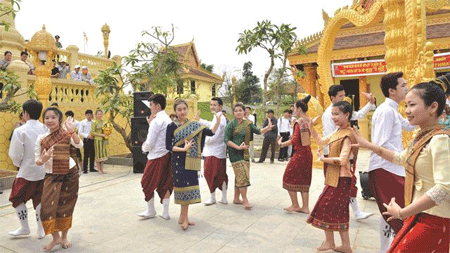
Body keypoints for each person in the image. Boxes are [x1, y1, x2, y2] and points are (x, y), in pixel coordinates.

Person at [352, 79, 450, 253]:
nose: (407, 111)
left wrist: (402, 213)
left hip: (434, 220)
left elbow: (443, 188)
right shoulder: (421, 137)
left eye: (412, 105)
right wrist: (367, 144)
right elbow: (400, 158)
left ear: (433, 107)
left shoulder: (440, 140)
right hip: (420, 216)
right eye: (406, 106)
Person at [366, 72, 415, 252]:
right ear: (392, 91)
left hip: (392, 167)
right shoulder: (386, 111)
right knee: (396, 213)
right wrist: (403, 156)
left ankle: (386, 249)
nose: (407, 88)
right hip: (385, 168)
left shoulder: (392, 110)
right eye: (403, 85)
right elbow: (381, 143)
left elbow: (409, 125)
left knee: (388, 211)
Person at [307, 101, 357, 253]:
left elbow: (342, 160)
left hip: (342, 178)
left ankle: (330, 242)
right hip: (335, 177)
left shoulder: (348, 135)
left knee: (325, 207)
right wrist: (311, 128)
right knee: (339, 209)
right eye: (332, 114)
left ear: (347, 115)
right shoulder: (338, 132)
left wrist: (323, 159)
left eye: (337, 114)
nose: (334, 117)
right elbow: (321, 142)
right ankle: (345, 245)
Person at [165, 99, 221, 230]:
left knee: (189, 187)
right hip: (178, 161)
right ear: (175, 111)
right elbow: (168, 146)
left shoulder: (194, 125)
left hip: (191, 160)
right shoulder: (171, 126)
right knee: (182, 187)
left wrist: (217, 123)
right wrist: (183, 149)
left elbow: (210, 132)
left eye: (184, 109)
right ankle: (184, 218)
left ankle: (183, 217)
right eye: (179, 110)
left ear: (187, 109)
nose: (182, 112)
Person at [322, 84, 375, 221]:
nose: (343, 98)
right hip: (335, 154)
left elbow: (359, 114)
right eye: (340, 96)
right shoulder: (330, 115)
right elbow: (331, 136)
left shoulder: (341, 111)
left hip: (342, 155)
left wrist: (370, 103)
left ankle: (353, 211)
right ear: (332, 98)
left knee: (348, 182)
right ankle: (334, 210)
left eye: (344, 95)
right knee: (338, 184)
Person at [35, 107, 83, 251]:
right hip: (51, 174)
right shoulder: (41, 138)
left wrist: (72, 131)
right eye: (47, 118)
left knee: (66, 204)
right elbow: (37, 160)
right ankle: (55, 239)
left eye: (53, 117)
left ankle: (64, 237)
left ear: (59, 119)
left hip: (70, 173)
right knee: (46, 207)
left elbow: (79, 144)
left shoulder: (66, 133)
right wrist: (44, 158)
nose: (50, 120)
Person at [8, 100, 46, 238]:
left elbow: (15, 154)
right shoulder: (45, 128)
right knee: (40, 199)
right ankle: (40, 229)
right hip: (43, 170)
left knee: (16, 197)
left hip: (26, 170)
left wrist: (19, 164)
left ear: (25, 114)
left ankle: (24, 227)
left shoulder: (20, 131)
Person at [224, 103, 273, 210]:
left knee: (241, 175)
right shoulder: (231, 125)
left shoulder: (248, 124)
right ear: (233, 113)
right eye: (236, 111)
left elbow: (259, 131)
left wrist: (267, 128)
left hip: (245, 153)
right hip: (235, 154)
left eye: (240, 110)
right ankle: (245, 199)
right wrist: (237, 147)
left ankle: (236, 198)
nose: (238, 112)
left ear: (244, 112)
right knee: (242, 176)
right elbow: (226, 140)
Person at [138, 94, 173, 220]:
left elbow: (150, 142)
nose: (150, 108)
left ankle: (151, 210)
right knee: (165, 182)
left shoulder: (157, 121)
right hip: (166, 154)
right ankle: (165, 212)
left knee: (146, 182)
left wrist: (143, 148)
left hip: (156, 156)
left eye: (151, 105)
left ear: (158, 106)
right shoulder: (168, 119)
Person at [278, 96, 312, 214]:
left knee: (287, 176)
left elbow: (295, 140)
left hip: (300, 154)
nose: (293, 109)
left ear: (298, 109)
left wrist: (282, 144)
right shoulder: (308, 120)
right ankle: (305, 207)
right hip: (308, 153)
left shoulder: (299, 122)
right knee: (304, 179)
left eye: (294, 107)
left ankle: (295, 204)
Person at [195, 97, 228, 205]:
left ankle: (215, 197)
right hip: (213, 151)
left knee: (213, 174)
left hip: (215, 151)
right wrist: (200, 120)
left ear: (220, 106)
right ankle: (220, 197)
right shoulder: (217, 117)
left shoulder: (220, 118)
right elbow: (211, 125)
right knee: (216, 174)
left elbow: (214, 136)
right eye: (211, 104)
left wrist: (201, 140)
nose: (212, 107)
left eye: (214, 105)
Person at [91, 109, 108, 174]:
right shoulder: (94, 123)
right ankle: (99, 170)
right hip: (97, 140)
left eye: (101, 114)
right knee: (98, 155)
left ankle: (102, 169)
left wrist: (108, 134)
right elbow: (92, 132)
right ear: (96, 115)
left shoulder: (103, 122)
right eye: (98, 114)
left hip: (103, 140)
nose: (100, 115)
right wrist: (101, 135)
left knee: (103, 155)